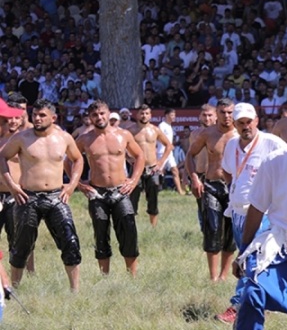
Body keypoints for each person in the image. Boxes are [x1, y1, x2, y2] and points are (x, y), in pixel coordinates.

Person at [214, 103, 287, 324]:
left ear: (256, 120)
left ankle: (238, 305)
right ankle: (264, 301)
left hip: (262, 213)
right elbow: (228, 173)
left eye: (249, 122)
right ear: (234, 124)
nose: (246, 126)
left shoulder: (272, 143)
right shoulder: (231, 145)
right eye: (241, 123)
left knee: (250, 259)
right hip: (237, 211)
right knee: (247, 257)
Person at [0, 99, 83, 292]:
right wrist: (12, 185)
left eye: (42, 115)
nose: (37, 118)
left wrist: (72, 185)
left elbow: (78, 159)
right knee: (21, 245)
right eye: (35, 114)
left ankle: (75, 291)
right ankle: (15, 289)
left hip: (56, 196)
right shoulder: (22, 137)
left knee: (70, 241)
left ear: (53, 118)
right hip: (28, 196)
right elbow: (2, 157)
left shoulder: (64, 138)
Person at [74, 101, 145, 277]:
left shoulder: (123, 135)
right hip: (97, 192)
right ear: (90, 118)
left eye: (102, 113)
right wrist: (79, 183)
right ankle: (104, 276)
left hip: (121, 190)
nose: (99, 117)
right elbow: (70, 160)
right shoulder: (84, 139)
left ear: (108, 113)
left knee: (128, 230)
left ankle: (132, 276)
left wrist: (134, 180)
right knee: (100, 233)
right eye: (95, 115)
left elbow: (139, 155)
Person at [185, 98, 238, 282]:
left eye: (230, 112)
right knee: (213, 228)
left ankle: (224, 275)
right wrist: (194, 179)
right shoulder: (208, 134)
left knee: (231, 231)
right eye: (223, 112)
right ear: (217, 113)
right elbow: (190, 155)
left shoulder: (241, 134)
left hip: (235, 187)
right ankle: (213, 276)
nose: (226, 116)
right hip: (212, 184)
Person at [0, 97, 34, 273]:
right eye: (8, 118)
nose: (12, 121)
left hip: (17, 194)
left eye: (15, 118)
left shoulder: (24, 138)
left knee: (21, 237)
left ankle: (29, 273)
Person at [129, 104, 174, 227]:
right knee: (133, 195)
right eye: (142, 113)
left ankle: (153, 227)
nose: (144, 116)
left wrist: (160, 163)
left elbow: (169, 146)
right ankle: (131, 226)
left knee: (153, 197)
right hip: (136, 168)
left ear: (150, 115)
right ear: (137, 115)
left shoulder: (155, 130)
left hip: (152, 167)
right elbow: (121, 148)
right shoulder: (130, 130)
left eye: (147, 113)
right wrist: (128, 159)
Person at [158, 108, 185, 194]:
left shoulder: (169, 126)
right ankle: (158, 189)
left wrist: (171, 145)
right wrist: (168, 145)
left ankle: (180, 191)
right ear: (166, 115)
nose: (174, 117)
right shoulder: (162, 125)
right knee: (159, 172)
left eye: (174, 115)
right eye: (172, 115)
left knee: (175, 170)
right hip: (161, 152)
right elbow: (159, 137)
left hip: (169, 152)